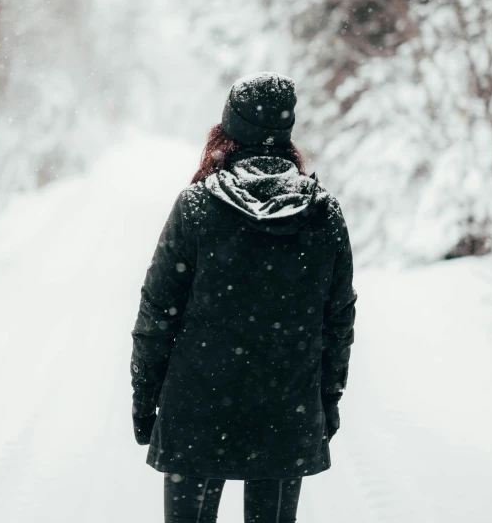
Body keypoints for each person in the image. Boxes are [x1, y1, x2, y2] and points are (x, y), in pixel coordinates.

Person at [130, 71, 357, 523]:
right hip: (285, 410)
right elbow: (339, 323)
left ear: (228, 129)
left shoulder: (197, 207)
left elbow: (157, 315)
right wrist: (326, 401)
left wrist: (144, 400)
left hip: (196, 411)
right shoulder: (323, 214)